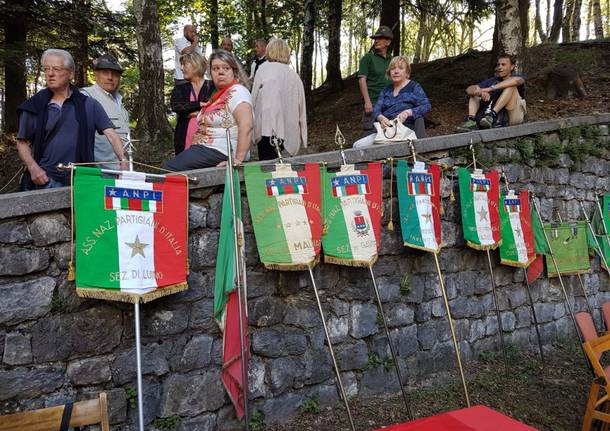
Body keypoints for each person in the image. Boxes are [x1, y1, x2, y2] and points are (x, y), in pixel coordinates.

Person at [16, 49, 125, 190]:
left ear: (71, 74)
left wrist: (123, 162)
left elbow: (112, 135)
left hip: (83, 180)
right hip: (46, 180)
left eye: (56, 69)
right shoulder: (34, 105)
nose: (50, 74)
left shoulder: (88, 104)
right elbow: (22, 142)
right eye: (46, 69)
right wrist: (33, 168)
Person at [162, 50, 253, 171]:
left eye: (226, 68)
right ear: (210, 72)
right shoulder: (218, 96)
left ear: (234, 72)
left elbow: (247, 125)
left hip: (221, 150)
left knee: (168, 170)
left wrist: (237, 160)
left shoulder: (237, 92)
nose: (220, 72)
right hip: (206, 149)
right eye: (215, 68)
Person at [353, 56, 431, 149]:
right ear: (389, 73)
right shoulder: (386, 90)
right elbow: (376, 110)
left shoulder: (414, 87)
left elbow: (426, 106)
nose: (396, 71)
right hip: (387, 132)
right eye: (393, 69)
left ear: (407, 72)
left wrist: (407, 112)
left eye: (400, 68)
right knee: (358, 145)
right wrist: (381, 117)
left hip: (407, 131)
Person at [251, 38, 307, 160]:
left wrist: (251, 123)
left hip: (266, 125)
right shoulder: (293, 75)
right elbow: (301, 106)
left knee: (267, 163)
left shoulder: (264, 69)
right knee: (281, 163)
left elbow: (253, 97)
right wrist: (303, 133)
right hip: (286, 126)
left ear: (269, 51)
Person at [81, 54, 129, 169]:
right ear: (96, 75)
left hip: (124, 169)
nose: (110, 77)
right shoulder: (86, 96)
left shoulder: (120, 102)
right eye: (105, 73)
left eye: (115, 74)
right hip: (101, 172)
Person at [456, 54, 527, 132]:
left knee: (511, 86)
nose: (500, 67)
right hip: (492, 117)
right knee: (474, 93)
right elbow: (469, 89)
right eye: (498, 65)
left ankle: (492, 115)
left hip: (512, 116)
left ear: (512, 67)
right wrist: (479, 92)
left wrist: (489, 89)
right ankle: (471, 121)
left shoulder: (518, 77)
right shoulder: (493, 80)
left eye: (503, 65)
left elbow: (516, 81)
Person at [170, 52, 215, 155]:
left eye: (184, 64)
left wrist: (191, 113)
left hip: (209, 137)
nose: (181, 68)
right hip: (184, 136)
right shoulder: (180, 88)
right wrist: (199, 105)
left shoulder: (212, 86)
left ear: (195, 65)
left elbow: (217, 108)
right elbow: (176, 106)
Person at [358, 26, 393, 135]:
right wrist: (367, 102)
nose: (376, 41)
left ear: (388, 42)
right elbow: (362, 80)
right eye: (375, 38)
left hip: (389, 103)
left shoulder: (392, 60)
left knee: (389, 134)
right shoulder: (368, 58)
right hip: (373, 102)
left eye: (380, 38)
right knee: (371, 134)